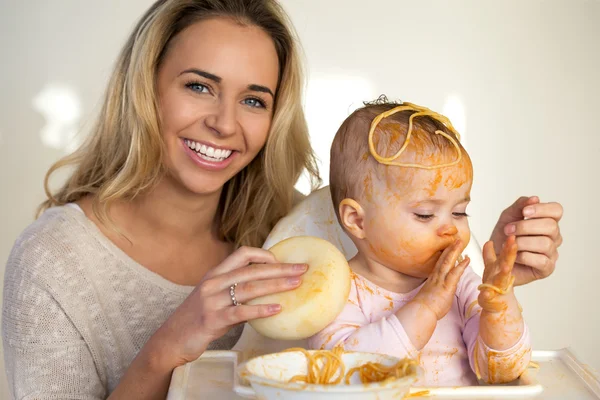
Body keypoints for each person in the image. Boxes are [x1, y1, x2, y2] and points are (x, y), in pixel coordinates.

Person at [2, 1, 563, 399]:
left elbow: (419, 232)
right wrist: (168, 346)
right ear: (145, 88)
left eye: (253, 99)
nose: (224, 123)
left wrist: (509, 259)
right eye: (198, 85)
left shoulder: (305, 224)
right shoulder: (55, 263)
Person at [309, 99, 545, 386]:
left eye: (459, 212)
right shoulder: (336, 291)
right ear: (358, 221)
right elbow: (340, 374)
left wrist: (499, 306)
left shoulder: (462, 284)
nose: (450, 229)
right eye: (425, 214)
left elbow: (502, 371)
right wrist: (426, 308)